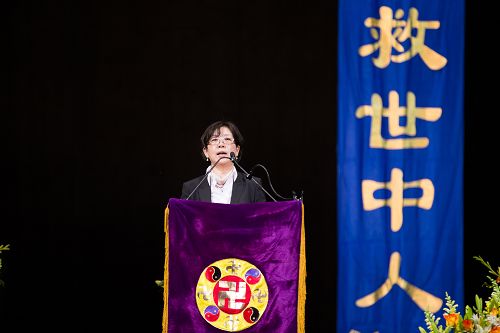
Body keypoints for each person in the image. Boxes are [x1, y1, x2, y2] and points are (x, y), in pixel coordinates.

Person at [181, 120, 267, 204]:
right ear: (206, 151)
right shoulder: (191, 188)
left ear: (237, 150)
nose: (221, 144)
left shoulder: (253, 185)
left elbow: (262, 218)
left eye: (227, 139)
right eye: (214, 140)